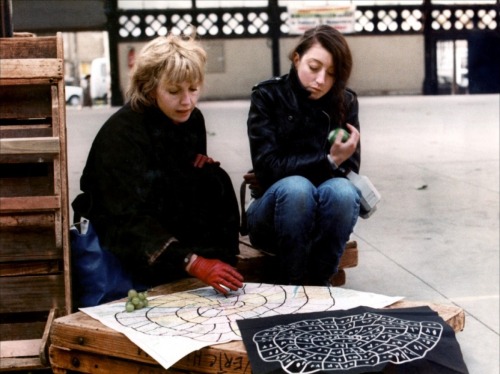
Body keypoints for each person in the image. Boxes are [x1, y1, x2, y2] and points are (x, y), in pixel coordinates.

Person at [72, 34, 244, 297]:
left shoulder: (191, 118)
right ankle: (177, 271)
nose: (187, 101)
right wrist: (193, 262)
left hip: (164, 212)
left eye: (193, 89)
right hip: (121, 228)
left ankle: (223, 266)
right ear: (150, 88)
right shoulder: (122, 134)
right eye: (174, 91)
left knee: (214, 177)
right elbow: (126, 216)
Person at [245, 25, 362, 286]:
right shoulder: (267, 96)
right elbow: (267, 169)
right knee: (296, 188)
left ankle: (319, 286)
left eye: (331, 73)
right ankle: (293, 286)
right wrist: (328, 162)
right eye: (313, 67)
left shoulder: (345, 102)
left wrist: (334, 165)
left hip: (322, 214)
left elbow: (350, 169)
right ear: (297, 58)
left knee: (343, 192)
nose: (321, 80)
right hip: (272, 216)